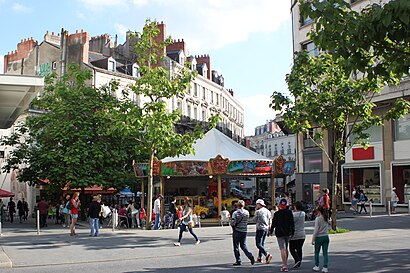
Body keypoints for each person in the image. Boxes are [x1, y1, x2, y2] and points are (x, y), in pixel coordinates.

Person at [270, 198, 294, 272]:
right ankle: (285, 263)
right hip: (288, 232)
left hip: (279, 232)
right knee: (286, 248)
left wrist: (271, 231)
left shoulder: (277, 213)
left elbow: (273, 224)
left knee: (282, 249)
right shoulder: (289, 212)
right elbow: (292, 223)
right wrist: (292, 232)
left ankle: (284, 265)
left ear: (280, 205)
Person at [230, 200, 255, 266]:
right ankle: (249, 255)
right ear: (243, 205)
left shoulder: (235, 213)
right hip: (244, 230)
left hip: (237, 230)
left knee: (236, 246)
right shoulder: (246, 212)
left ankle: (238, 260)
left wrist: (232, 226)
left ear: (237, 205)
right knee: (243, 245)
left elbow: (233, 222)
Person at [253, 199, 272, 264]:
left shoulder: (258, 212)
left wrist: (255, 211)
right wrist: (270, 228)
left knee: (258, 244)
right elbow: (270, 220)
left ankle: (267, 254)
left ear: (258, 204)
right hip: (266, 228)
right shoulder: (267, 211)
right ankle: (260, 257)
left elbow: (254, 220)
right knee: (262, 243)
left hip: (260, 228)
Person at [312, 206, 330, 273]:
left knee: (317, 252)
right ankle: (325, 267)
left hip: (319, 237)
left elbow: (316, 230)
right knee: (325, 253)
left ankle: (316, 266)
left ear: (318, 211)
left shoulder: (318, 219)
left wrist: (313, 239)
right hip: (326, 236)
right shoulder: (325, 218)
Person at [290, 201, 306, 269]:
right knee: (299, 248)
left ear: (295, 207)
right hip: (302, 233)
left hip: (294, 234)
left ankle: (297, 259)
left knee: (292, 248)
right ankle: (299, 261)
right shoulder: (303, 213)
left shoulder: (292, 215)